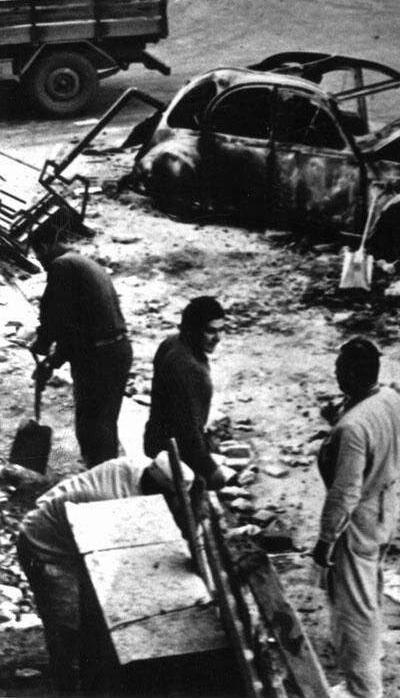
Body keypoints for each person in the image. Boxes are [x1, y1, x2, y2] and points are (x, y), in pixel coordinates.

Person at [17, 451, 194, 695]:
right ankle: (67, 684)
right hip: (46, 545)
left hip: (74, 531)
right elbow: (121, 564)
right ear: (161, 492)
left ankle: (88, 670)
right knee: (68, 620)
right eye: (174, 499)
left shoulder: (145, 467)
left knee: (93, 615)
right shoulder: (116, 503)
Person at [313, 339, 400, 698]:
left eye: (340, 371)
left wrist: (325, 539)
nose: (336, 377)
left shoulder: (353, 428)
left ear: (353, 374)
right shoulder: (393, 399)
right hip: (387, 505)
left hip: (359, 521)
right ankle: (371, 653)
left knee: (354, 607)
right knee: (369, 587)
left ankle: (363, 689)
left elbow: (345, 492)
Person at [29, 225, 132, 469]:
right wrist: (52, 362)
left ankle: (99, 476)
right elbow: (75, 327)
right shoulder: (84, 263)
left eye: (37, 254)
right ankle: (105, 474)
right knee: (104, 421)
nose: (40, 262)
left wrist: (43, 343)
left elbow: (53, 313)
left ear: (45, 247)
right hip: (116, 350)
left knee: (91, 423)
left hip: (98, 356)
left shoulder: (61, 266)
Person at [143, 296, 235, 488]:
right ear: (192, 330)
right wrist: (211, 470)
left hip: (157, 441)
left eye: (221, 330)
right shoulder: (188, 368)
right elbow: (188, 431)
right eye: (210, 331)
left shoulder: (171, 343)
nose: (218, 338)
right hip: (176, 456)